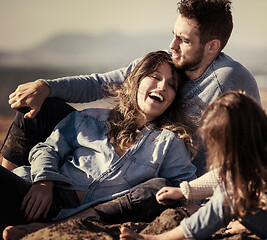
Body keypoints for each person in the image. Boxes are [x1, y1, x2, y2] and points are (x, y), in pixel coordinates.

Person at [1, 0, 261, 177]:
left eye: (183, 40)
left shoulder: (230, 79)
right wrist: (46, 86)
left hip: (157, 170)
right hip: (119, 146)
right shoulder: (163, 65)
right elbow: (98, 84)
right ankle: (10, 179)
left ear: (212, 47)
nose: (172, 45)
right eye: (173, 34)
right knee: (36, 109)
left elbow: (256, 143)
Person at [0, 51, 197, 236]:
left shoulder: (169, 142)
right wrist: (44, 182)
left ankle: (49, 228)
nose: (162, 87)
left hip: (92, 216)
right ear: (136, 81)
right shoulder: (92, 117)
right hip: (40, 197)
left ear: (173, 98)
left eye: (171, 85)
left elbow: (189, 190)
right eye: (155, 77)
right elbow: (49, 148)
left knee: (159, 187)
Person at [119, 91, 267, 240]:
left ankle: (160, 239)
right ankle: (242, 218)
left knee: (229, 199)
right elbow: (224, 173)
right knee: (227, 191)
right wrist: (183, 191)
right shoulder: (265, 136)